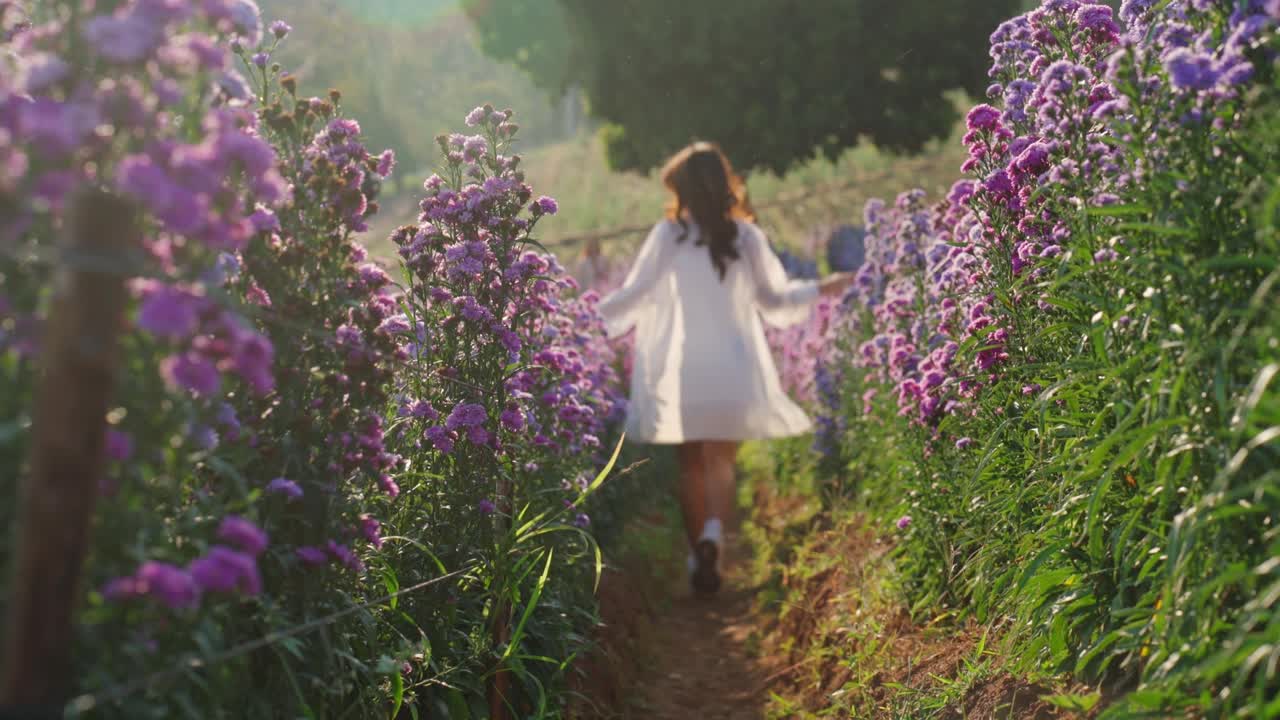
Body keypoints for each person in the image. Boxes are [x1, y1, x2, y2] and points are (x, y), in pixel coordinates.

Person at [596, 142, 853, 594]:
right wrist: (820, 288)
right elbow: (774, 302)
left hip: (686, 367)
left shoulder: (669, 237)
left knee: (691, 465)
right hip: (734, 367)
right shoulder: (746, 237)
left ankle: (700, 557)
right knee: (722, 464)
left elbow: (634, 297)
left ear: (683, 190)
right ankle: (715, 534)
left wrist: (585, 320)